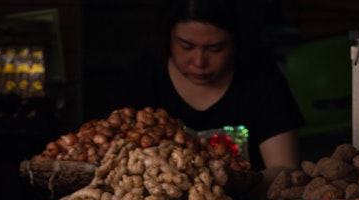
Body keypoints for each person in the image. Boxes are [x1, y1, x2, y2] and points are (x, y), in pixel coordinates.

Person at [123, 0, 304, 173]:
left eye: (216, 49)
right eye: (186, 46)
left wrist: (230, 184)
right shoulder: (143, 78)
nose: (199, 62)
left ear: (236, 41)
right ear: (168, 36)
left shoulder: (261, 77)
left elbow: (284, 167)